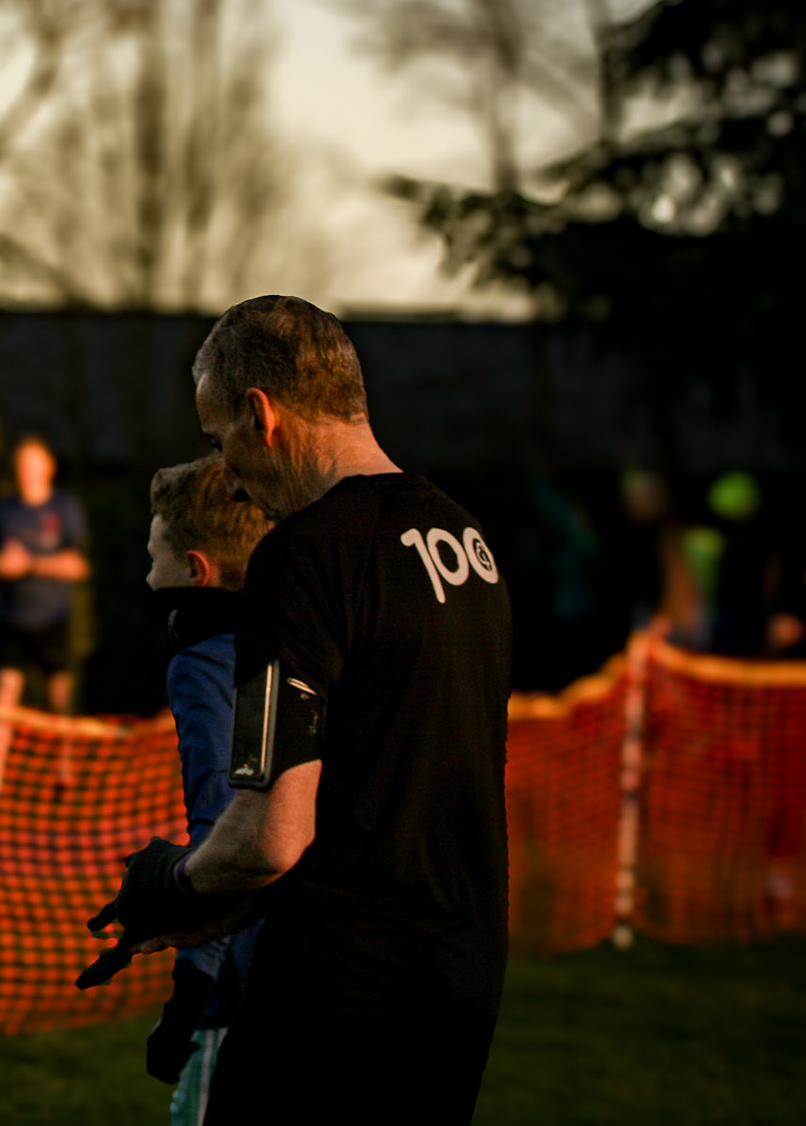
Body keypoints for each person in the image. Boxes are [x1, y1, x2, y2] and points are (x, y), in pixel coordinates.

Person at [84, 295, 511, 1125]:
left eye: (220, 443)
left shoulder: (306, 554)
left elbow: (273, 834)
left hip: (340, 988)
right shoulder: (467, 541)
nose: (230, 477)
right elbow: (384, 793)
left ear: (259, 413)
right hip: (460, 976)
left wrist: (173, 883)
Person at [141, 457, 270, 1125]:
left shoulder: (202, 663)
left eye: (153, 554)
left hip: (245, 981)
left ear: (195, 569)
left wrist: (186, 1006)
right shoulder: (296, 641)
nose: (145, 575)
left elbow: (227, 828)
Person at [0, 436, 90, 796]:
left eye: (32, 464)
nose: (25, 472)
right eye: (20, 465)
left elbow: (78, 565)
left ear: (48, 468)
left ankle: (65, 775)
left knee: (59, 699)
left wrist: (32, 563)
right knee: (3, 698)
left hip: (54, 619)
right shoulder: (2, 512)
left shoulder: (66, 509)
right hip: (12, 618)